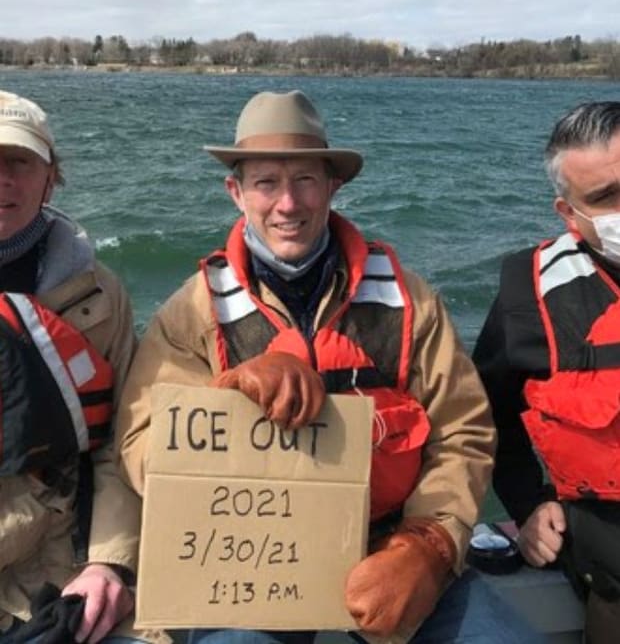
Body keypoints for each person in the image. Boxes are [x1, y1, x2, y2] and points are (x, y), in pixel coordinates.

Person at [116, 89, 543, 644]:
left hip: (390, 545)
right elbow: (140, 449)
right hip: (249, 560)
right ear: (235, 193)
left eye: (305, 180)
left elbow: (462, 431)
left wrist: (430, 545)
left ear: (333, 186)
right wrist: (225, 395)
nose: (287, 203)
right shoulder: (193, 310)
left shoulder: (409, 300)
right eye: (266, 182)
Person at [0, 91, 167, 644]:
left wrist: (110, 563)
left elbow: (121, 437)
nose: (3, 180)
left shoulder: (101, 295)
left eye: (19, 162)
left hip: (60, 566)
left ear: (51, 179)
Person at [473, 101, 620, 643]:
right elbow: (485, 414)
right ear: (569, 213)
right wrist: (528, 504)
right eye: (606, 197)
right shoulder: (529, 293)